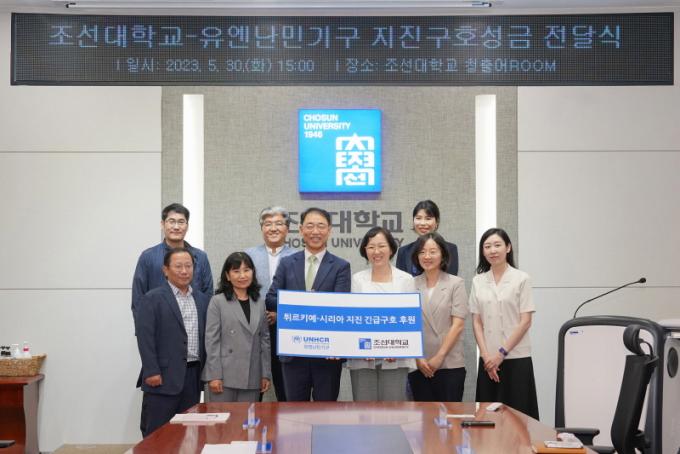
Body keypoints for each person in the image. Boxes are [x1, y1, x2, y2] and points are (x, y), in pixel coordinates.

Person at [266, 207, 351, 401]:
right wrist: (302, 302)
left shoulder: (340, 266)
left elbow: (340, 306)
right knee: (294, 412)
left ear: (329, 230)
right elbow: (270, 299)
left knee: (326, 411)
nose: (315, 231)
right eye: (310, 226)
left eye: (321, 226)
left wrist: (302, 303)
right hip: (293, 352)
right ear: (301, 229)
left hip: (328, 353)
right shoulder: (287, 263)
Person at [135, 247, 210, 437]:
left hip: (193, 375)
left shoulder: (202, 300)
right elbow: (145, 337)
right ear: (165, 270)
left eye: (188, 266)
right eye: (178, 266)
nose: (184, 271)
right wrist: (151, 370)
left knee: (187, 432)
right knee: (157, 433)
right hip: (162, 376)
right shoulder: (152, 298)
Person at [469, 227, 539, 419]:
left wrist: (500, 354)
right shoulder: (478, 281)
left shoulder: (521, 278)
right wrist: (486, 356)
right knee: (488, 418)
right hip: (488, 361)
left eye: (497, 245)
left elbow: (525, 322)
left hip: (516, 358)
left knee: (519, 419)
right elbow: (476, 321)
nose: (492, 250)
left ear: (508, 247)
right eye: (487, 246)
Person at [349, 226, 416, 401]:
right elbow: (355, 318)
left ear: (391, 249)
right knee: (364, 408)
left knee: (392, 409)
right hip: (363, 354)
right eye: (371, 247)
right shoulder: (357, 279)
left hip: (396, 354)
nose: (376, 251)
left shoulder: (406, 279)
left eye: (381, 246)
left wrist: (395, 347)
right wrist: (365, 347)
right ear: (365, 250)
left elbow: (410, 319)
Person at [202, 252, 271, 402]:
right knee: (222, 417)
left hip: (253, 375)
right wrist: (214, 375)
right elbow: (212, 341)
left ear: (253, 272)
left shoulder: (259, 302)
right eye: (236, 271)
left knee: (248, 417)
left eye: (246, 270)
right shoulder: (217, 302)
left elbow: (264, 341)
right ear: (227, 276)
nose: (242, 275)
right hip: (223, 377)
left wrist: (265, 374)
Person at [408, 232, 468, 402]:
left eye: (433, 251)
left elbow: (458, 325)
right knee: (423, 417)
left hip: (449, 363)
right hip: (419, 365)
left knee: (449, 416)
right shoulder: (410, 284)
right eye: (422, 252)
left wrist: (439, 357)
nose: (427, 256)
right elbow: (408, 326)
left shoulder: (456, 283)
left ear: (443, 255)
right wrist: (418, 358)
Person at [245, 206, 296, 402]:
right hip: (254, 329)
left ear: (287, 228)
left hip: (287, 330)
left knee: (286, 388)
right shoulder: (248, 255)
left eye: (278, 224)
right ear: (262, 228)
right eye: (268, 224)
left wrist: (280, 314)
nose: (273, 228)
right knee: (253, 387)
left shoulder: (298, 256)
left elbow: (302, 296)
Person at [131, 203, 213, 324]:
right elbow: (138, 298)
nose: (176, 227)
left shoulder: (201, 257)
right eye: (171, 221)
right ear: (162, 224)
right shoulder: (148, 257)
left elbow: (208, 295)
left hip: (194, 325)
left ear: (187, 226)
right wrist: (144, 330)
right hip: (159, 326)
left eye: (181, 222)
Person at [396, 200, 459, 277]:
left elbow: (450, 279)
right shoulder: (403, 251)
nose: (422, 223)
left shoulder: (450, 249)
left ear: (437, 222)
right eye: (418, 218)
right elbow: (401, 281)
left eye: (428, 218)